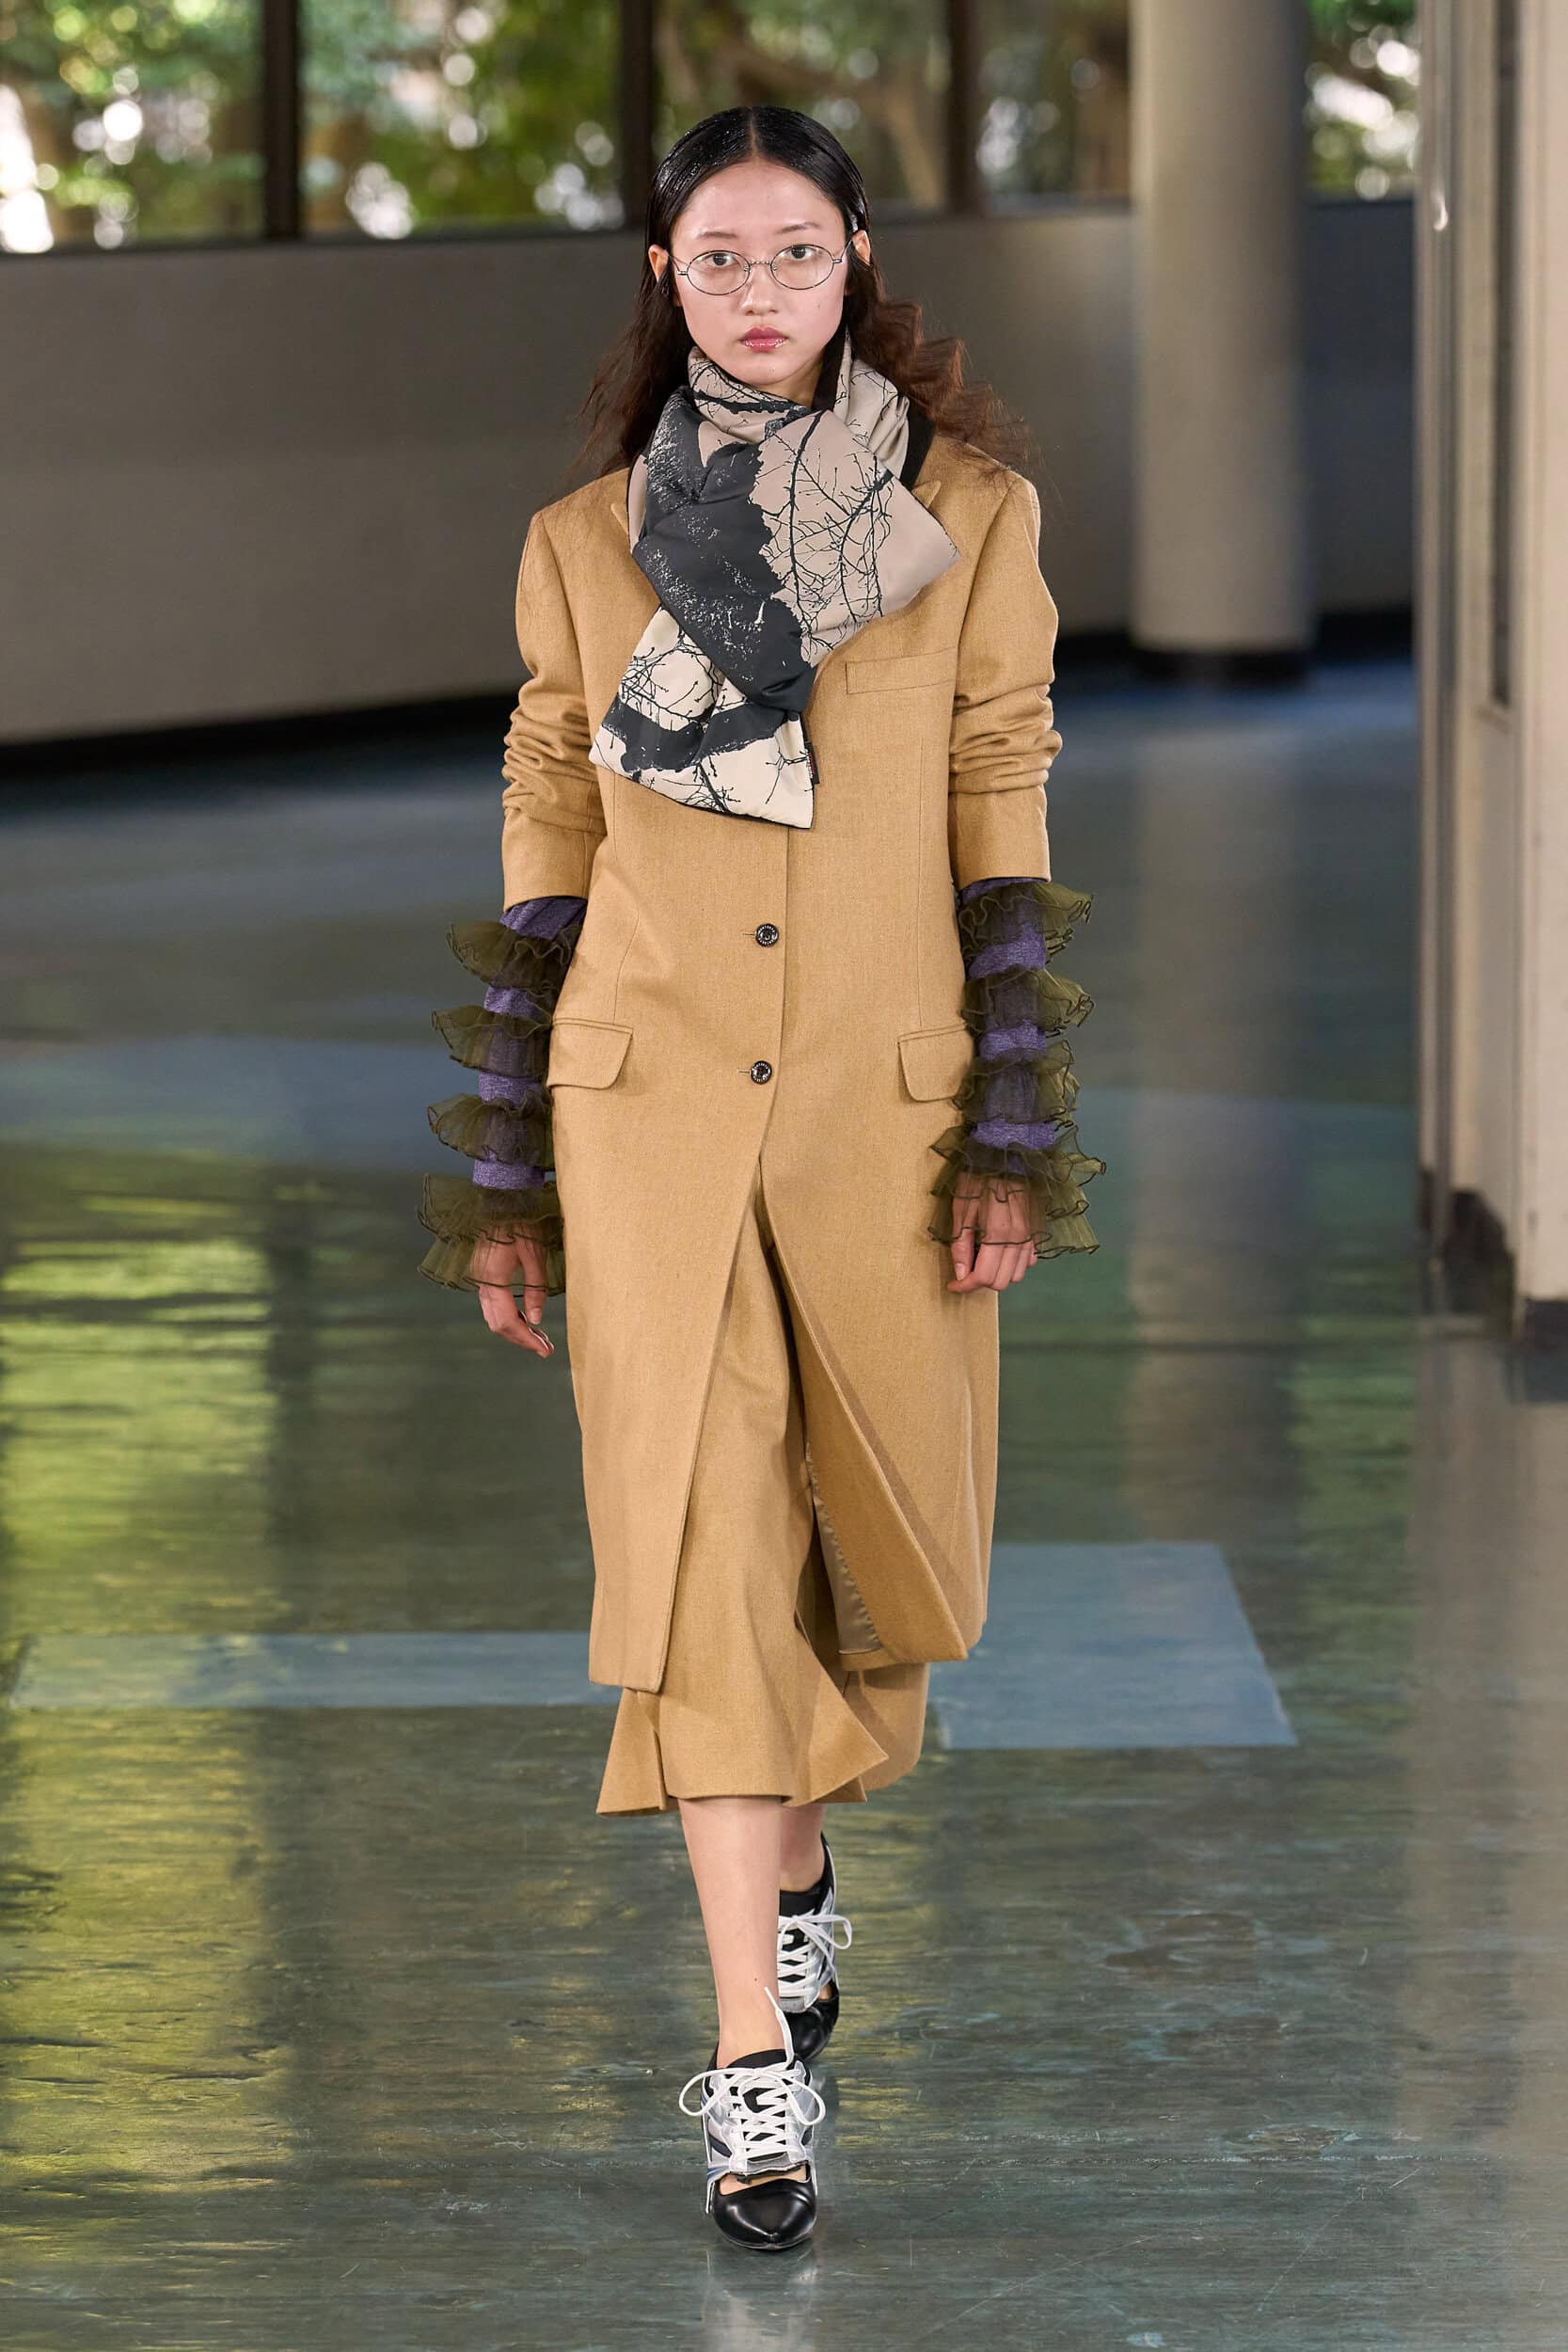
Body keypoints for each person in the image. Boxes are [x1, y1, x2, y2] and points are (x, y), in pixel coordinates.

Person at [418, 103, 1104, 2253]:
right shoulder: (581, 543)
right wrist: (512, 1161)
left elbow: (1000, 787)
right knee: (704, 1560)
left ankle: (799, 1861)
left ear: (855, 259)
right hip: (647, 1115)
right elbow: (551, 821)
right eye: (717, 254)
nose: (758, 288)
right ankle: (751, 2065)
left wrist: (1014, 1112)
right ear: (666, 277)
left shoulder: (967, 516)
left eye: (794, 249)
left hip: (882, 1113)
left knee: (885, 1565)